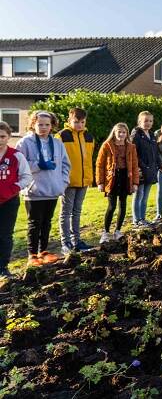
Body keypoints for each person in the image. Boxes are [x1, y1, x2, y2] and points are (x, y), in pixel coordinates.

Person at [16, 110, 71, 266]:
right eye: (40, 124)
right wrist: (38, 165)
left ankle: (43, 251)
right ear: (33, 124)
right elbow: (19, 165)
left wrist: (62, 183)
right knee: (34, 223)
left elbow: (66, 165)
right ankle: (32, 254)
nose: (44, 128)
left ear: (52, 126)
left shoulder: (58, 143)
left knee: (47, 222)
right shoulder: (25, 143)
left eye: (47, 125)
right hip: (34, 191)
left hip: (53, 190)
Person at [55, 107, 95, 253]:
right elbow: (57, 160)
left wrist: (89, 177)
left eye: (82, 122)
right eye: (76, 122)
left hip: (83, 181)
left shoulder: (89, 137)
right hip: (68, 181)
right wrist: (61, 179)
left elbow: (89, 159)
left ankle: (76, 241)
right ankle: (65, 243)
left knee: (77, 211)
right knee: (66, 212)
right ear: (69, 120)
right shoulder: (61, 136)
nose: (80, 125)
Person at [0, 121, 33, 280]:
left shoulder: (16, 156)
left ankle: (3, 267)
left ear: (8, 137)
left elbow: (27, 177)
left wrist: (14, 188)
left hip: (9, 201)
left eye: (2, 136)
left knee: (5, 235)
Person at [96, 123, 139, 243]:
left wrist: (135, 183)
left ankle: (118, 231)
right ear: (114, 133)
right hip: (112, 179)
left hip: (126, 177)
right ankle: (106, 232)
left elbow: (135, 166)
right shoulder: (107, 145)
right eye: (119, 132)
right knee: (112, 206)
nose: (121, 134)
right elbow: (99, 165)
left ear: (127, 134)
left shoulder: (131, 147)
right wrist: (100, 182)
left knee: (123, 205)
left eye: (124, 132)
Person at [131, 111, 158, 228]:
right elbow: (133, 154)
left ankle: (142, 218)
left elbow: (155, 153)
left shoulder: (152, 135)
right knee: (139, 195)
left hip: (151, 170)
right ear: (139, 121)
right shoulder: (135, 135)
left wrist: (156, 166)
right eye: (145, 120)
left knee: (145, 197)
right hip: (140, 170)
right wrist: (142, 166)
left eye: (150, 121)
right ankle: (136, 220)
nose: (148, 123)